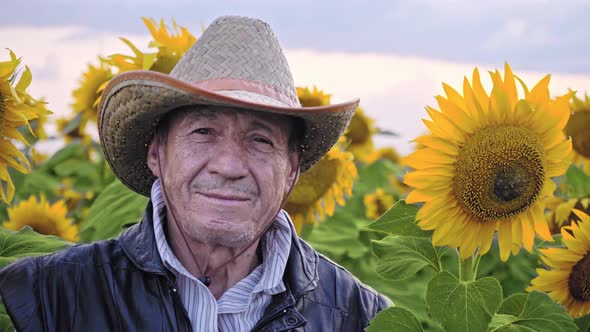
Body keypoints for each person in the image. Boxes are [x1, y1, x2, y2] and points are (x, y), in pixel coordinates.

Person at [0, 16, 390, 331]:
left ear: (291, 170)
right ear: (157, 151)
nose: (229, 165)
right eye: (203, 132)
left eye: (260, 140)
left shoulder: (361, 318)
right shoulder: (39, 299)